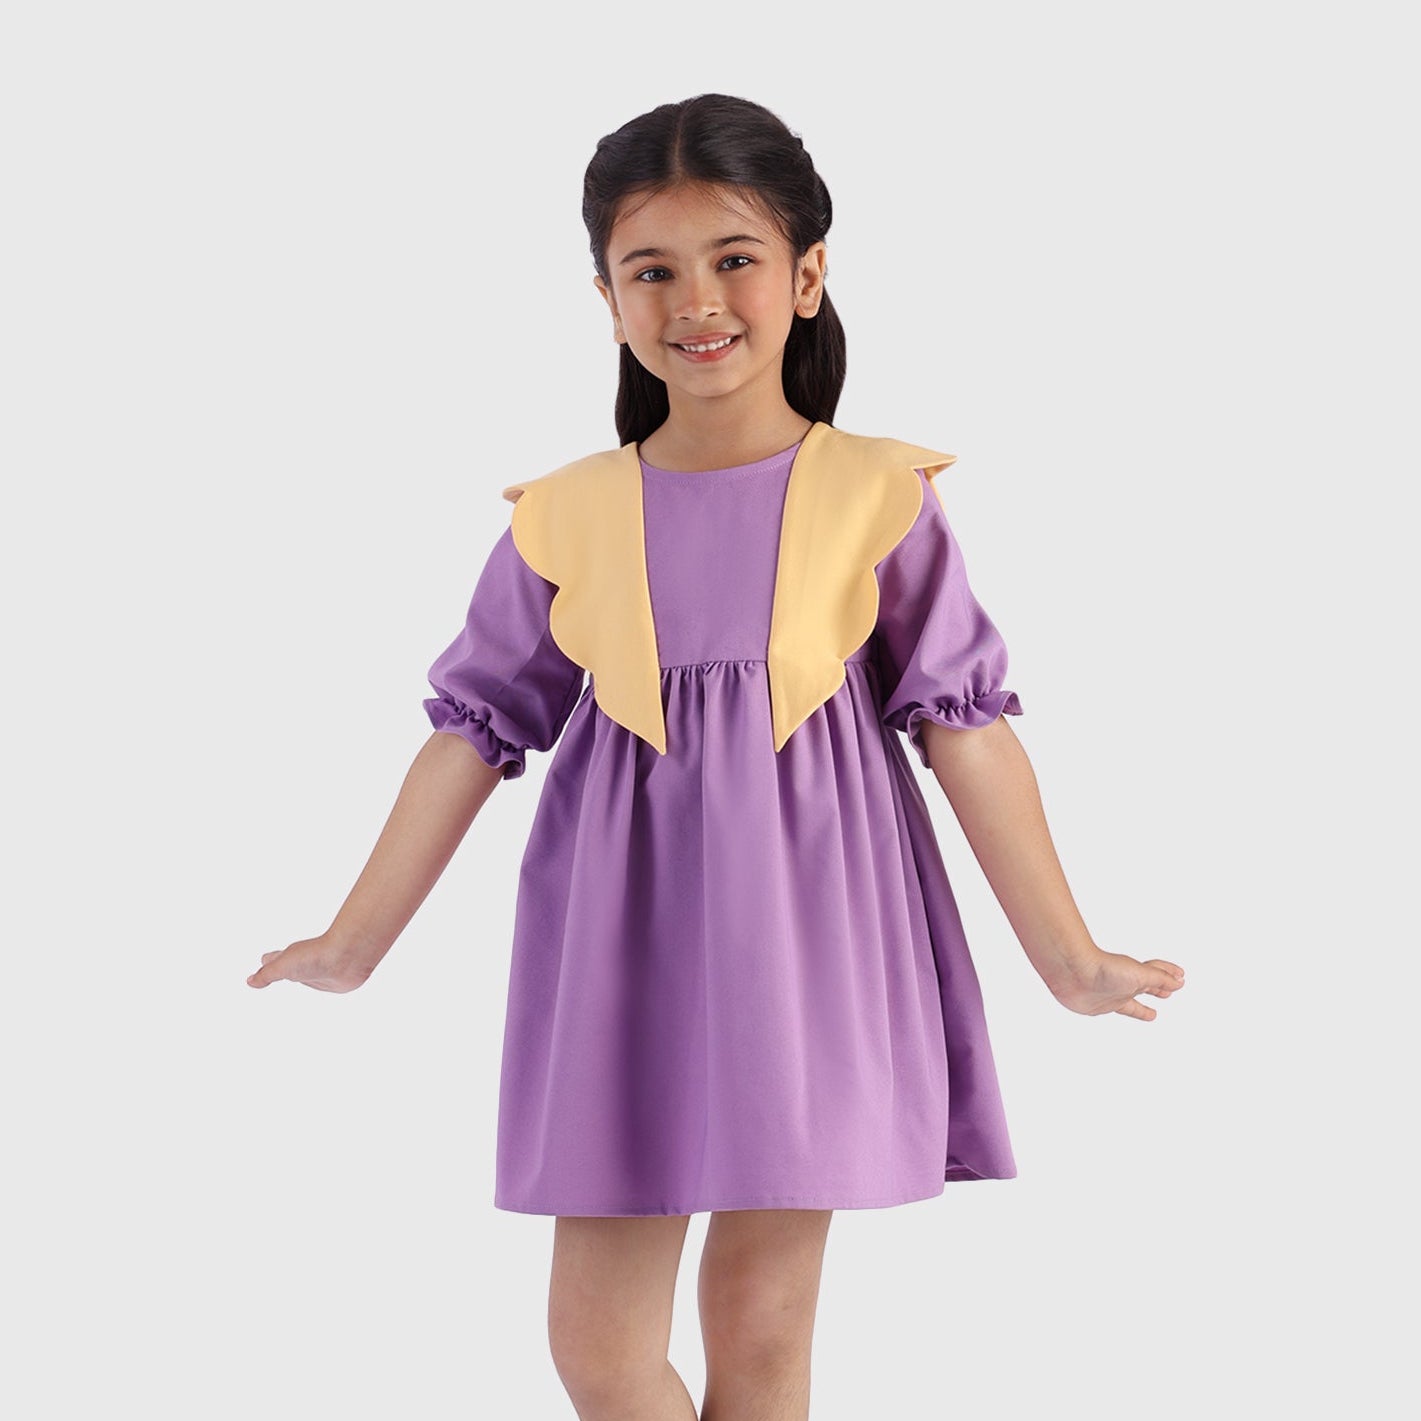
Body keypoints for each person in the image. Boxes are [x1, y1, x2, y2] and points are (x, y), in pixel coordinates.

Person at [246, 93, 1185, 1421]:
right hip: (616, 947)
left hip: (810, 941)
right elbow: (469, 733)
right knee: (597, 1348)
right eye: (652, 270)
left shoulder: (878, 495)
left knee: (758, 1326)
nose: (696, 299)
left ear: (806, 274)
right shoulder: (565, 514)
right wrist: (353, 943)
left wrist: (1068, 959)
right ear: (607, 298)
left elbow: (965, 729)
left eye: (734, 257)